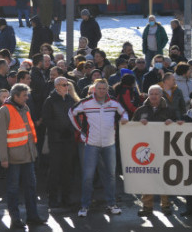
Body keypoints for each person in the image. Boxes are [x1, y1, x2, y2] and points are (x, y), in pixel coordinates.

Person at [70, 79, 128, 218]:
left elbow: (124, 112)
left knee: (111, 176)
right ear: (94, 89)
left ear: (107, 89)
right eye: (99, 88)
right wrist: (81, 131)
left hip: (109, 144)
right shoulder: (86, 102)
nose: (102, 90)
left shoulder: (113, 102)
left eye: (104, 88)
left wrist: (124, 118)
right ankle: (84, 206)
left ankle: (111, 204)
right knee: (88, 177)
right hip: (91, 144)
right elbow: (71, 113)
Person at [0, 83, 46, 228]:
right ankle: (15, 219)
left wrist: (33, 152)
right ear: (15, 96)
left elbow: (28, 132)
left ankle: (32, 216)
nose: (27, 98)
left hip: (27, 155)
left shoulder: (25, 108)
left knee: (30, 187)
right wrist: (3, 158)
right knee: (13, 189)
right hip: (13, 158)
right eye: (24, 95)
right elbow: (0, 136)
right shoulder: (4, 111)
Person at [132, 85, 179, 216]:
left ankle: (166, 205)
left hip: (165, 148)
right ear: (148, 95)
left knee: (164, 177)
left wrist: (173, 122)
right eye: (151, 93)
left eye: (156, 94)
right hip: (146, 149)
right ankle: (147, 206)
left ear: (161, 95)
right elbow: (130, 128)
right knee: (147, 177)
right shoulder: (140, 111)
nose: (153, 96)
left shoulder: (170, 110)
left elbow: (179, 125)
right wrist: (138, 124)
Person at [42, 77, 79, 209]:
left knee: (67, 170)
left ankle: (66, 198)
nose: (66, 87)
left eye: (67, 85)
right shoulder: (50, 100)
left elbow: (74, 117)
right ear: (56, 86)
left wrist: (70, 129)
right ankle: (53, 199)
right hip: (56, 140)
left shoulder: (70, 99)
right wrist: (60, 130)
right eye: (64, 85)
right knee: (55, 170)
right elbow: (46, 119)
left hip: (69, 139)